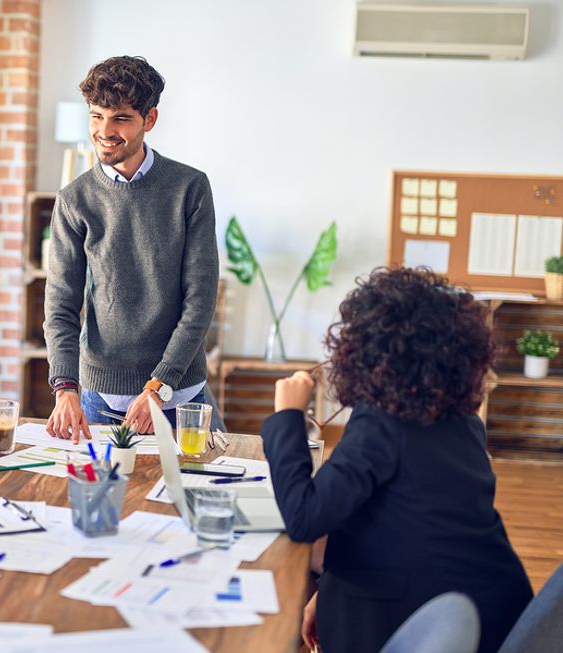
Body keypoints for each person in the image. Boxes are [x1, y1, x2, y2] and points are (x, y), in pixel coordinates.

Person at [262, 267, 533, 653]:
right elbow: (408, 523)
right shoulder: (463, 419)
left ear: (369, 350)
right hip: (494, 607)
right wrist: (331, 587)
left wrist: (288, 416)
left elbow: (304, 517)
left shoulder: (382, 422)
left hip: (433, 622)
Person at [44, 55, 224, 443]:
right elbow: (60, 306)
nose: (104, 131)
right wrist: (65, 388)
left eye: (120, 118)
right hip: (97, 400)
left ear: (150, 119)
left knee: (205, 498)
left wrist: (159, 385)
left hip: (179, 400)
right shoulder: (74, 199)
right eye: (96, 116)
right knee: (98, 502)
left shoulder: (189, 189)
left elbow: (200, 300)